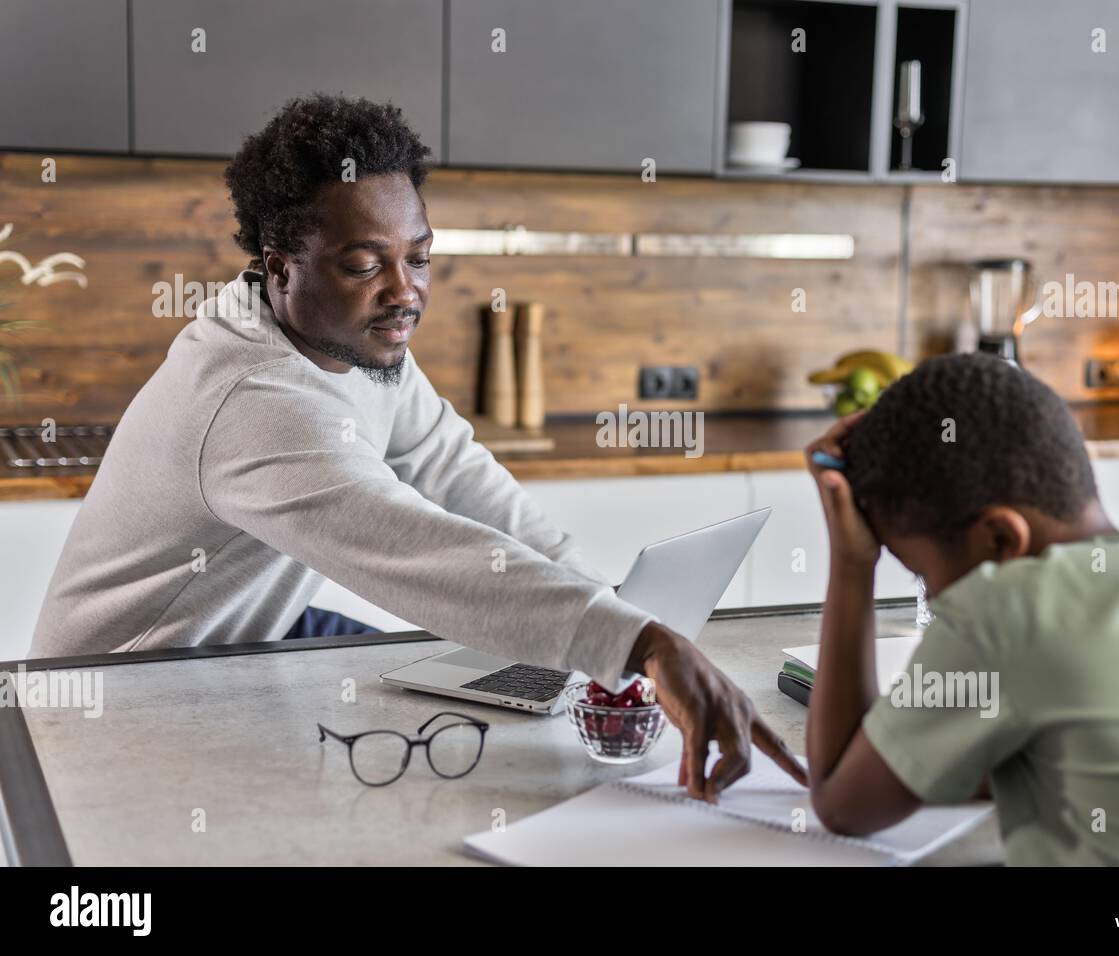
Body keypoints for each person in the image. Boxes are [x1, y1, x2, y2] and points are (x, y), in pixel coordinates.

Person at [31, 94, 803, 802]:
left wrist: (616, 617)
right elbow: (418, 551)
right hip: (125, 687)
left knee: (499, 686)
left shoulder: (353, 343)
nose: (405, 291)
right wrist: (636, 643)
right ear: (279, 268)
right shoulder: (254, 401)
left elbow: (461, 479)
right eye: (364, 264)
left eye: (419, 258)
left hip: (253, 639)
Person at [803, 352, 1119, 864]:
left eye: (923, 577)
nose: (932, 599)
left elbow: (841, 804)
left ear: (1000, 539)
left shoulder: (1008, 611)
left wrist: (852, 560)